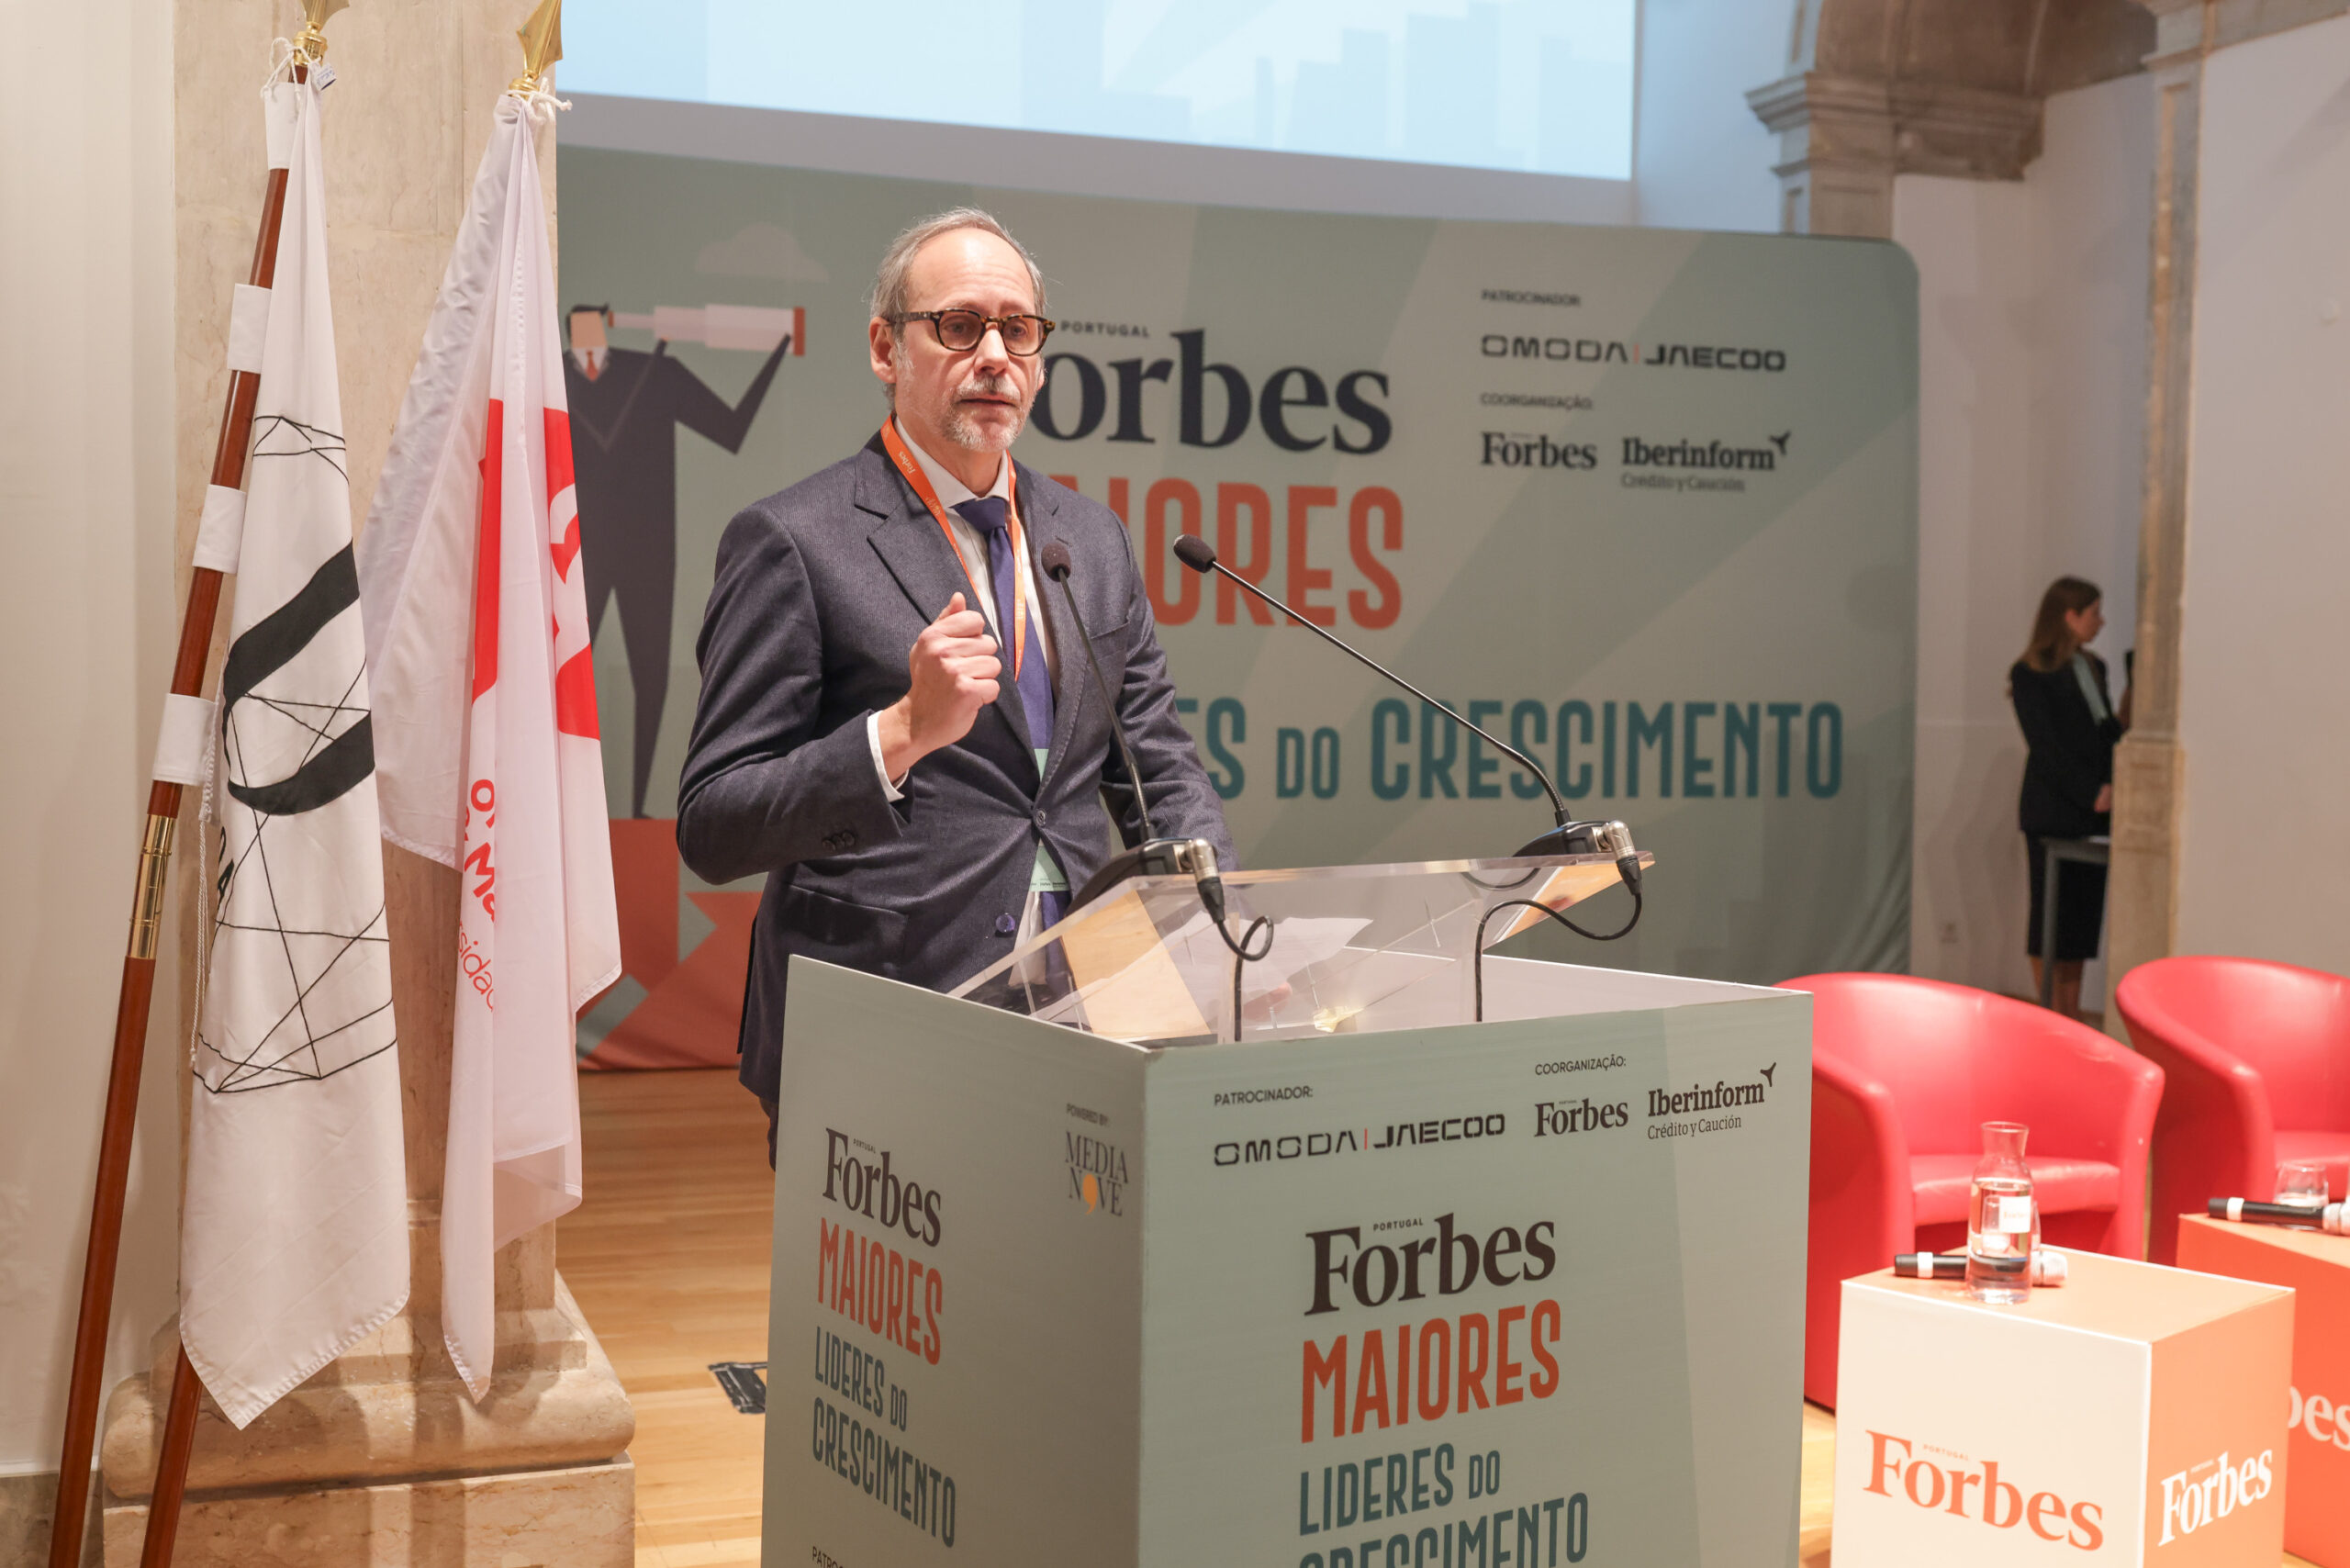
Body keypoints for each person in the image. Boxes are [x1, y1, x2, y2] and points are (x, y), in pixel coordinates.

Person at [677, 208, 1235, 1149]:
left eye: (1018, 329)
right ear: (885, 348)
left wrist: (1223, 922)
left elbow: (1157, 765)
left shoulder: (1089, 540)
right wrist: (898, 733)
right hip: (884, 1026)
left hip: (1083, 1023)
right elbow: (715, 823)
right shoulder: (795, 541)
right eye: (960, 326)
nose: (995, 357)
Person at [565, 305, 790, 819]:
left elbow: (730, 428)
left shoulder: (657, 373)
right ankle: (566, 802)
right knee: (566, 675)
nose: (588, 337)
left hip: (649, 555)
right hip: (579, 555)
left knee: (651, 678)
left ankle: (640, 809)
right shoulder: (551, 380)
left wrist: (777, 349)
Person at [2009, 577, 2125, 1019]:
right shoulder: (2030, 672)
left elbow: (2104, 732)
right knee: (2050, 921)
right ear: (2069, 616)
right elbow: (2046, 746)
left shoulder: (2093, 666)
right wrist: (2089, 791)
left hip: (2093, 813)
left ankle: (2069, 1016)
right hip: (2054, 810)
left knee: (2080, 925)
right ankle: (2050, 1016)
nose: (2101, 621)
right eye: (2093, 612)